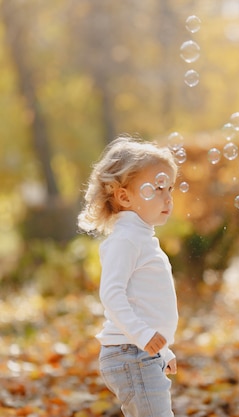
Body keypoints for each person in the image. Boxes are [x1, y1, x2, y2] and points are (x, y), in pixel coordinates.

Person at [77, 135, 179, 417]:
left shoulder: (139, 236)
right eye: (158, 188)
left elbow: (143, 303)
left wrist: (161, 351)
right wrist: (145, 337)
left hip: (140, 353)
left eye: (170, 187)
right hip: (131, 353)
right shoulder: (126, 239)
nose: (168, 197)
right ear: (124, 196)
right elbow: (112, 295)